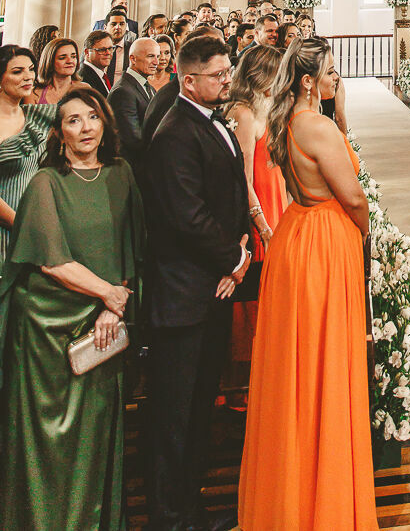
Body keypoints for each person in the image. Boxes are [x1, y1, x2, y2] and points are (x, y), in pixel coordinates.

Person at [239, 40, 377, 530]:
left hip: (295, 231)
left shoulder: (285, 122)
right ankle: (326, 499)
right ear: (307, 81)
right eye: (331, 72)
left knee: (296, 362)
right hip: (325, 239)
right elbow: (353, 197)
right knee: (327, 358)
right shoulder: (317, 127)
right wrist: (363, 232)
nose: (337, 78)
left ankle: (293, 487)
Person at [0, 86, 143, 531]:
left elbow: (132, 249)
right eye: (74, 120)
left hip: (101, 329)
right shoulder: (46, 181)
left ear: (105, 123)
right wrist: (109, 295)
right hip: (45, 332)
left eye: (93, 117)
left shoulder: (121, 173)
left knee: (95, 438)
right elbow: (51, 261)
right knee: (50, 446)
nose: (85, 128)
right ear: (59, 132)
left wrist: (113, 308)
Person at [144, 35, 252, 531]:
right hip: (183, 296)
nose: (227, 80)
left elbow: (228, 192)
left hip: (209, 289)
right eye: (218, 75)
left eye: (228, 71)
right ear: (189, 81)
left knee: (198, 410)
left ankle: (190, 508)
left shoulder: (211, 118)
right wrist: (234, 258)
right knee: (174, 416)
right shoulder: (174, 134)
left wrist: (238, 251)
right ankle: (169, 517)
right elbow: (186, 216)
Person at [227, 46, 286, 368]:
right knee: (256, 294)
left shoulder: (263, 107)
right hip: (259, 208)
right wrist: (262, 225)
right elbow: (242, 178)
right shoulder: (243, 114)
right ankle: (250, 370)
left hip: (275, 201)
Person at [0, 46, 56, 267]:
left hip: (35, 223)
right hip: (7, 232)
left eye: (31, 69)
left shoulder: (40, 116)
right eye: (17, 71)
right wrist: (23, 226)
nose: (28, 76)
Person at [108, 37, 159, 171]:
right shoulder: (122, 92)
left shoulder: (149, 87)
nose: (156, 62)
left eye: (157, 56)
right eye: (150, 56)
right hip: (132, 169)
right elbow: (132, 140)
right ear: (133, 59)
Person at [35, 36, 80, 103]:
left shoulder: (85, 89)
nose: (70, 61)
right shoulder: (35, 93)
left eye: (73, 57)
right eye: (62, 58)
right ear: (50, 61)